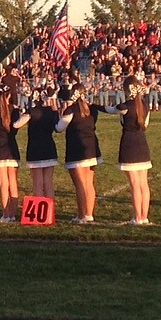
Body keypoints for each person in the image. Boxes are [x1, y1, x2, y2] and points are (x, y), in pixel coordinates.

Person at [104, 76, 151, 224]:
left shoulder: (124, 107)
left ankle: (137, 217)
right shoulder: (144, 105)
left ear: (126, 90)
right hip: (142, 145)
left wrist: (93, 106)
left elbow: (110, 109)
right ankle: (144, 217)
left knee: (135, 184)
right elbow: (146, 125)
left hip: (129, 146)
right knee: (144, 183)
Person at [55, 83, 104, 223]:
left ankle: (82, 215)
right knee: (89, 183)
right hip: (92, 147)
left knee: (80, 184)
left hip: (77, 148)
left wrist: (57, 115)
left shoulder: (71, 110)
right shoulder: (91, 109)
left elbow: (59, 128)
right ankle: (89, 214)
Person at [13, 89, 59, 199]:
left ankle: (40, 213)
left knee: (37, 183)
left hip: (35, 148)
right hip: (49, 147)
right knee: (48, 183)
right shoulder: (50, 111)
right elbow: (58, 127)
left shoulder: (31, 112)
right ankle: (49, 212)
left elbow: (16, 125)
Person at [0, 85, 21, 222]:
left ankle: (6, 214)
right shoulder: (15, 111)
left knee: (3, 184)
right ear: (9, 95)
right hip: (12, 148)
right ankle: (12, 214)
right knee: (13, 183)